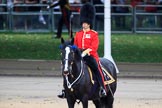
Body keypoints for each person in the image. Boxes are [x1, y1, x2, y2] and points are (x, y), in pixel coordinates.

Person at [58, 2, 107, 98]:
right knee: (67, 68)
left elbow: (94, 47)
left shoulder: (94, 34)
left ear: (89, 24)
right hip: (79, 56)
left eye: (86, 23)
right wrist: (71, 48)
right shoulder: (78, 34)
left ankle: (102, 88)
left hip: (90, 56)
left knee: (97, 69)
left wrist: (85, 52)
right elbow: (75, 45)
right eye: (83, 23)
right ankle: (65, 90)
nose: (84, 25)